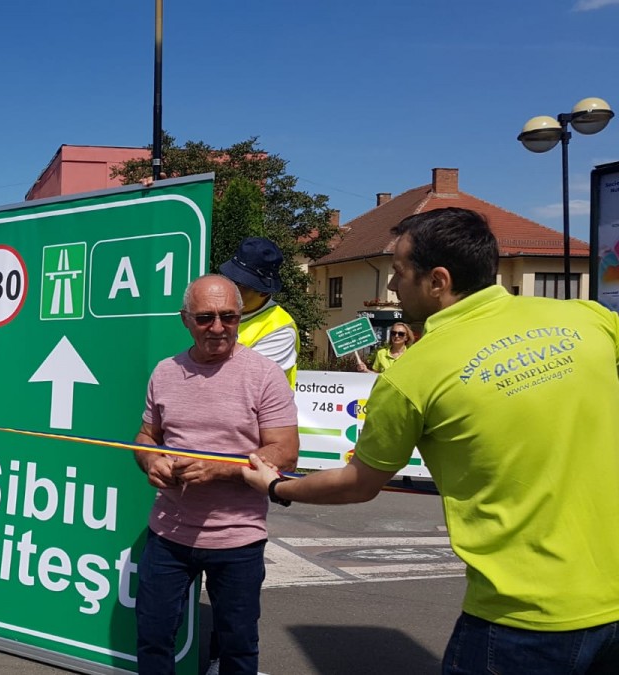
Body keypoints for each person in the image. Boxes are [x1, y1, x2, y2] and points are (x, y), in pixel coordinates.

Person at [242, 208, 619, 674]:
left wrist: (278, 487)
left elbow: (358, 483)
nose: (391, 287)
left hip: (523, 615)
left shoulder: (412, 375)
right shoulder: (587, 318)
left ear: (437, 280)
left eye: (399, 273)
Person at [133, 274, 299, 675]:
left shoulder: (263, 374)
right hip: (168, 535)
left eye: (229, 316)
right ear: (185, 319)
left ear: (241, 316)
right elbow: (145, 437)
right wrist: (150, 460)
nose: (218, 328)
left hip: (237, 538)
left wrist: (220, 468)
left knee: (237, 646)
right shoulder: (165, 372)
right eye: (205, 318)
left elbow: (286, 453)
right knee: (153, 637)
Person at [219, 236, 299, 388]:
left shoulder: (280, 330)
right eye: (228, 278)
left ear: (263, 291)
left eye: (238, 284)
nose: (228, 287)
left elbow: (242, 386)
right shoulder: (218, 311)